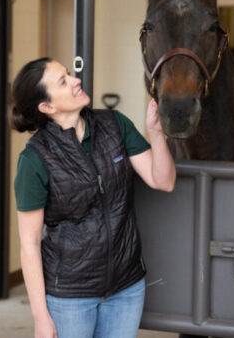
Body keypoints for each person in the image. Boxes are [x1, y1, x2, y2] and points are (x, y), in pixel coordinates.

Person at [10, 57, 176, 338]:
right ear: (47, 107)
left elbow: (163, 181)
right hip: (71, 298)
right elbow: (29, 243)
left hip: (126, 288)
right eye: (63, 81)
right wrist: (40, 316)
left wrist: (156, 133)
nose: (76, 80)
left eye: (69, 74)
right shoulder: (34, 159)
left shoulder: (115, 124)